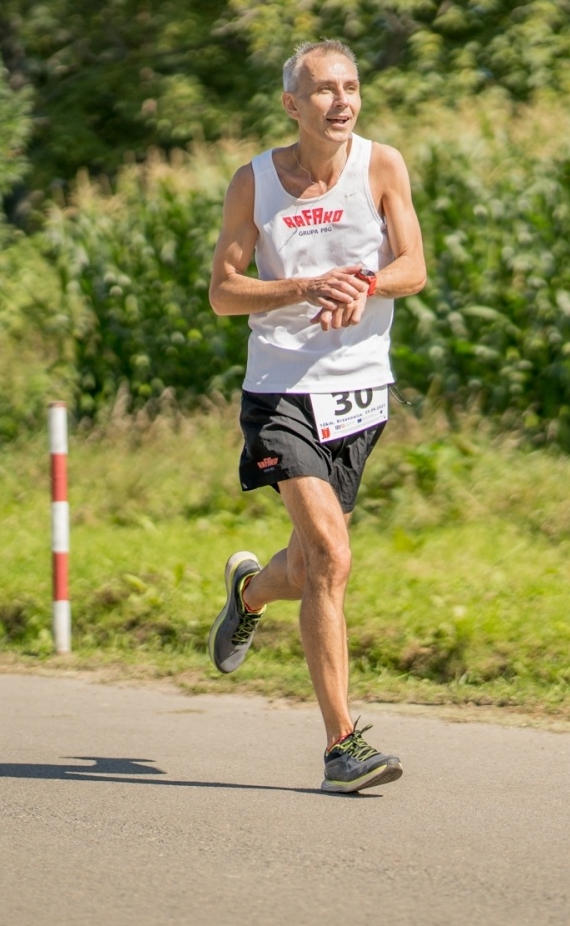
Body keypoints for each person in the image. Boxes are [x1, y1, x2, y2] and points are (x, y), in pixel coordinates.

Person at [205, 39, 427, 793]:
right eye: (324, 90)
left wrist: (365, 286)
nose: (343, 101)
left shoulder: (382, 165)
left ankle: (248, 594)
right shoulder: (255, 182)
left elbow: (414, 267)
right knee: (332, 556)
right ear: (292, 105)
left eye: (352, 87)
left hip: (361, 392)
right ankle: (343, 746)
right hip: (281, 392)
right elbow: (224, 291)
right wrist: (302, 288)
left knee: (306, 566)